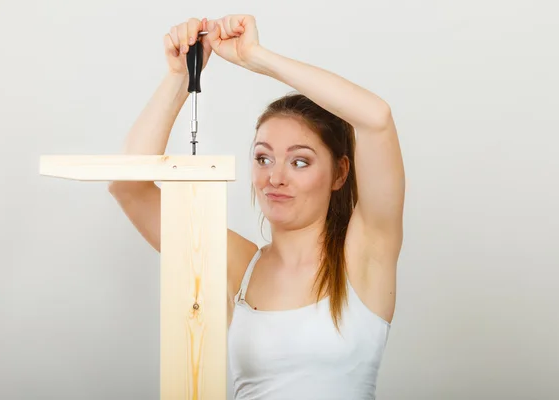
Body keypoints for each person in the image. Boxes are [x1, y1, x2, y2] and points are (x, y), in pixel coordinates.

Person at [108, 14, 405, 400]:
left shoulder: (365, 256)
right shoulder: (239, 266)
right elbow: (127, 186)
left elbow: (376, 118)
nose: (275, 178)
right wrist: (181, 78)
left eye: (300, 162)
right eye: (263, 158)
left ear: (339, 173)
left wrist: (256, 58)